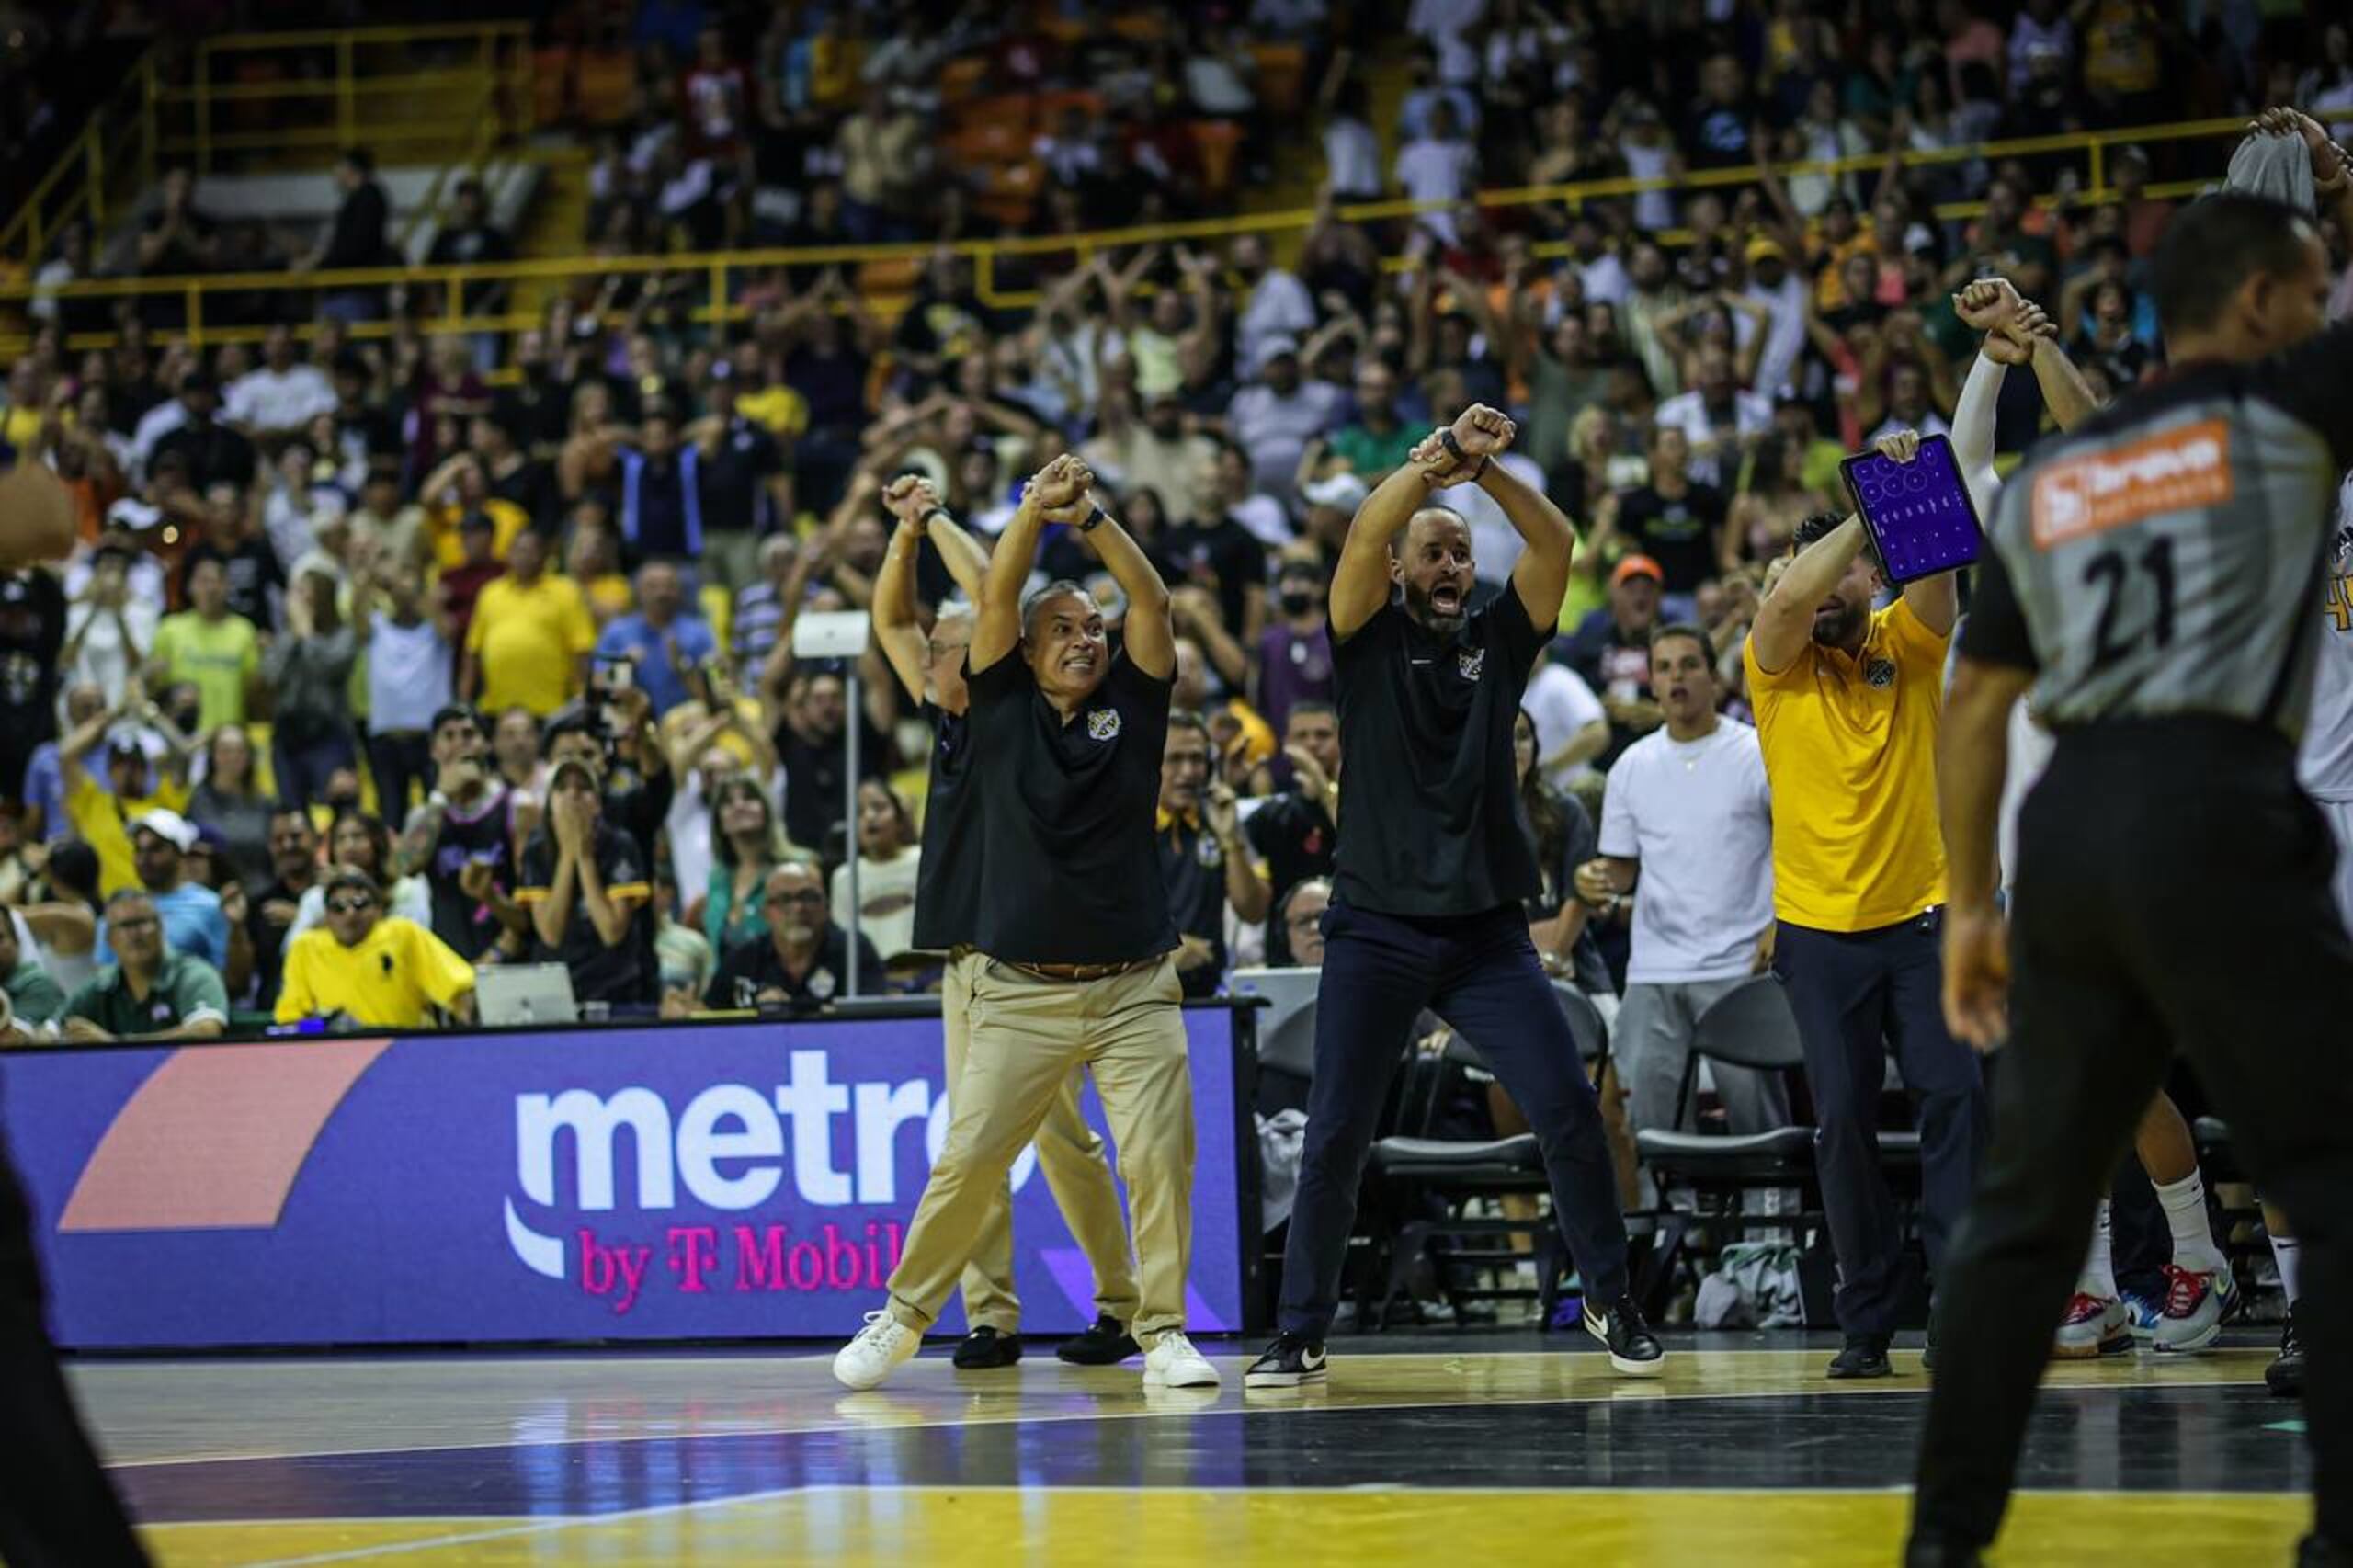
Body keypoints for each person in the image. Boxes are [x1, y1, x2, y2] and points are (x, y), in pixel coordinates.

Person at [1911, 165, 2353, 1563]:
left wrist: (1970, 905)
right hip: (2215, 805)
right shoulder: (2289, 411)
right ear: (2269, 297)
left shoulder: (2054, 476)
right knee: (2341, 1181)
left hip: (2072, 842)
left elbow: (1976, 703)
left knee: (2026, 1216)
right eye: (2311, 281)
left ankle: (1942, 1541)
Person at [1246, 404, 1663, 1392]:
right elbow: (1360, 532)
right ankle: (1300, 1327)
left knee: (1566, 1104)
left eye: (1459, 553)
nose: (1448, 565)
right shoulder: (1361, 636)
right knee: (1338, 1127)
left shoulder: (1500, 639)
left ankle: (1609, 1293)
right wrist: (1433, 467)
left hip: (1484, 933)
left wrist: (1486, 475)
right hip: (1376, 926)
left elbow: (1555, 540)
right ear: (1398, 569)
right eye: (1430, 551)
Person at [833, 454, 1215, 1393]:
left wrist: (1083, 519)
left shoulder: (1134, 700)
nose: (1086, 637)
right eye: (1063, 628)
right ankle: (904, 1314)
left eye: (1093, 626)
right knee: (968, 1159)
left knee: (1157, 1156)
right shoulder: (992, 705)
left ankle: (1161, 1329)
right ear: (1020, 650)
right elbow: (994, 593)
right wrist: (1022, 516)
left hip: (1132, 986)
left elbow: (1153, 602)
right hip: (1015, 990)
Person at [866, 474, 1143, 1370]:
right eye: (940, 648)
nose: (934, 656)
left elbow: (991, 588)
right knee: (973, 1145)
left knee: (1064, 1145)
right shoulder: (945, 717)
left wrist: (939, 515)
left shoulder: (1008, 710)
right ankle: (991, 1314)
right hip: (970, 961)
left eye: (951, 645)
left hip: (1032, 958)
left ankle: (1120, 1303)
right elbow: (890, 624)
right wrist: (905, 534)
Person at [1741, 422, 1985, 1381]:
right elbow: (1790, 597)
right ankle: (1867, 1315)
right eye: (1806, 577)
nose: (1820, 591)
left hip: (1922, 919)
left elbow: (1939, 569)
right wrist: (1861, 510)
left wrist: (1907, 491)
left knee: (1955, 1101)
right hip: (1818, 930)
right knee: (1840, 1120)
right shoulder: (1773, 665)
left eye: (1848, 575)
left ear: (1871, 581)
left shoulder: (1908, 640)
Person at [1576, 624, 1785, 1141]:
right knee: (1650, 1129)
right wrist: (1594, 878)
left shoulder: (1756, 752)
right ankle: (1674, 1223)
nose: (1677, 678)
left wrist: (1782, 920)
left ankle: (1774, 1223)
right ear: (1652, 683)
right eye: (1664, 668)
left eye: (1690, 664)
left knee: (1758, 1128)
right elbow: (1621, 869)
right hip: (1655, 970)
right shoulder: (1630, 766)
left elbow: (1798, 841)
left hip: (1740, 964)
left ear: (1713, 676)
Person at [517, 756, 655, 1007]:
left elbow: (612, 932)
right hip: (556, 995)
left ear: (598, 804)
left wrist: (585, 858)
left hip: (615, 993)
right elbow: (550, 933)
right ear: (549, 805)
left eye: (583, 787)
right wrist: (568, 857)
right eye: (562, 788)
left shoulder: (620, 845)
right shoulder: (536, 852)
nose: (573, 795)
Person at [276, 866, 476, 1029]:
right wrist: (326, 1026)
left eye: (360, 904)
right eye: (338, 907)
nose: (350, 914)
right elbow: (290, 1022)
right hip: (333, 1057)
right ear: (326, 917)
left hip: (405, 1048)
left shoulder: (403, 934)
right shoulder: (305, 947)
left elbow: (461, 988)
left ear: (378, 910)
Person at [1157, 710, 1270, 999]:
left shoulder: (1220, 817)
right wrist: (1161, 953)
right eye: (1174, 759)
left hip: (1205, 992)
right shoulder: (1123, 825)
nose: (1187, 772)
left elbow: (1253, 910)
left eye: (1195, 759)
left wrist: (1230, 838)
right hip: (1139, 994)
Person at [702, 860, 881, 1009]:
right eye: (784, 900)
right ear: (766, 912)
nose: (798, 908)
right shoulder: (742, 961)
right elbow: (711, 1018)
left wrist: (790, 1009)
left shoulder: (854, 951)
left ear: (826, 905)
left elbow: (875, 1014)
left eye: (808, 897)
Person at [62, 887, 228, 1043]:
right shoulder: (102, 983)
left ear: (160, 927)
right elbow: (52, 1028)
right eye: (125, 926)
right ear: (109, 939)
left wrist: (114, 1044)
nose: (135, 934)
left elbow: (205, 1031)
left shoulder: (194, 974)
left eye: (142, 923)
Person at [461, 529, 596, 720]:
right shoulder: (490, 593)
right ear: (508, 554)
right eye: (518, 550)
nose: (524, 556)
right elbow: (473, 652)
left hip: (550, 710)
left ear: (545, 555)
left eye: (531, 551)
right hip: (496, 709)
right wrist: (464, 702)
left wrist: (583, 698)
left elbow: (581, 651)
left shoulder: (566, 592)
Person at [833, 778, 922, 967]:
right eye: (859, 812)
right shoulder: (844, 877)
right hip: (872, 978)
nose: (870, 816)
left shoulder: (923, 861)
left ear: (899, 820)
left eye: (879, 808)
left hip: (927, 972)